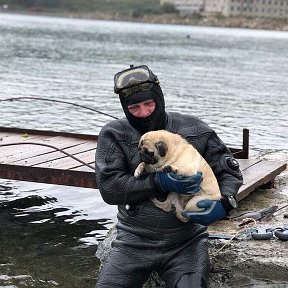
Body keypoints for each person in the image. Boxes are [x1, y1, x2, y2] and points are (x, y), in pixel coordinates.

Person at [95, 65, 243, 288]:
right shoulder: (114, 135)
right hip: (133, 241)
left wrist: (226, 202)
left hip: (186, 242)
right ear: (125, 108)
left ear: (159, 99)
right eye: (134, 108)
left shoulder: (195, 129)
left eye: (149, 104)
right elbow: (109, 188)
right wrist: (158, 182)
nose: (144, 113)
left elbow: (229, 172)